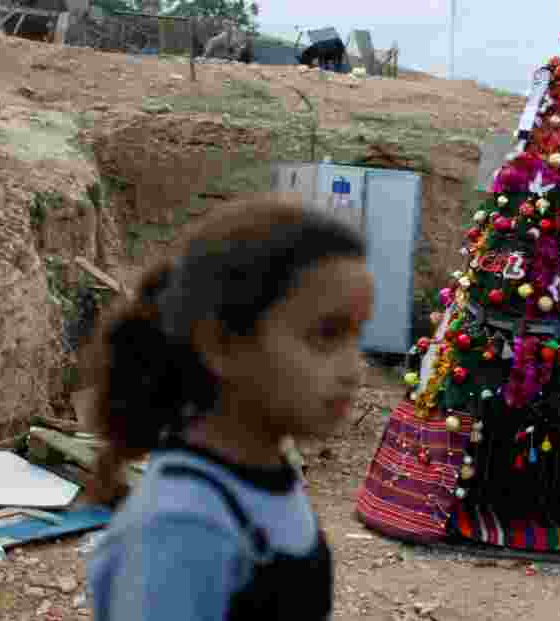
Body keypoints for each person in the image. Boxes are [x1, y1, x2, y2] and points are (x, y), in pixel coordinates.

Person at [83, 196, 373, 620]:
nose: (355, 369)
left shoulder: (260, 481)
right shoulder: (181, 529)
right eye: (325, 335)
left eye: (356, 336)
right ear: (222, 345)